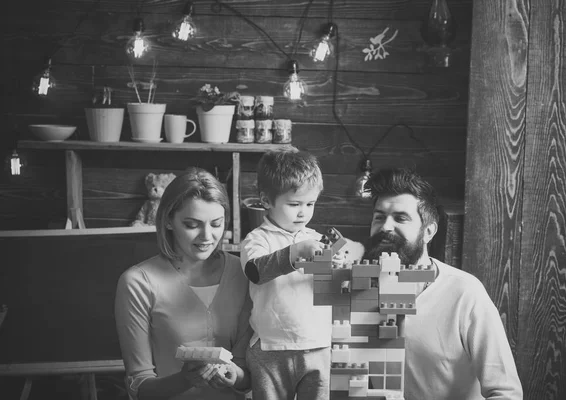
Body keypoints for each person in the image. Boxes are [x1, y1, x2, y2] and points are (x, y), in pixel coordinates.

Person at [361, 167, 523, 399]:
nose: (386, 227)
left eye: (400, 218)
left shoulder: (464, 293)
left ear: (428, 231)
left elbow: (506, 393)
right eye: (379, 217)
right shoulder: (360, 289)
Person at [115, 168, 252, 400]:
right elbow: (139, 386)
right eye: (192, 225)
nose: (207, 236)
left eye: (216, 224)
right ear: (169, 220)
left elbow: (248, 375)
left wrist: (235, 375)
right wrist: (184, 379)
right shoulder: (137, 283)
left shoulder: (244, 273)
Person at [240, 148, 363, 400]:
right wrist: (295, 253)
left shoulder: (316, 239)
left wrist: (339, 264)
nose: (303, 212)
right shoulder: (257, 239)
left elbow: (336, 289)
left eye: (310, 204)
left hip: (318, 344)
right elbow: (255, 271)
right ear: (266, 201)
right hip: (271, 348)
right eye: (294, 204)